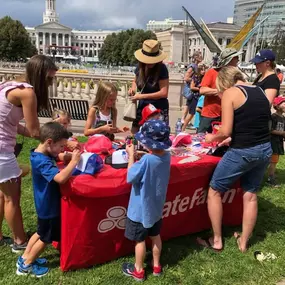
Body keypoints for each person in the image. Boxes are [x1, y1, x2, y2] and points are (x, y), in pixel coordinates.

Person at [197, 66, 272, 253]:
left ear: (223, 82)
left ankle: (216, 240)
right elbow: (253, 122)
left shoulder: (231, 92)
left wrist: (211, 138)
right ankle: (244, 243)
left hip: (243, 151)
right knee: (251, 195)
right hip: (264, 149)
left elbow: (225, 130)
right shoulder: (260, 91)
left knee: (214, 190)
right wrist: (232, 137)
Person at [0, 55, 57, 252]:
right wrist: (57, 138)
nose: (50, 83)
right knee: (12, 199)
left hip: (2, 148)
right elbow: (34, 131)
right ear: (41, 76)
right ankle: (19, 242)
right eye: (49, 79)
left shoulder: (12, 84)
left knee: (2, 195)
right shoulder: (28, 93)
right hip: (2, 151)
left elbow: (13, 125)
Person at [16, 122, 81, 277]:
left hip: (43, 205)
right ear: (49, 142)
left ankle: (24, 257)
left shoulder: (37, 154)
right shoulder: (43, 161)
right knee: (46, 238)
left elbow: (54, 159)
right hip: (49, 207)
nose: (62, 150)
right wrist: (74, 162)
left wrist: (65, 153)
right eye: (61, 146)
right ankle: (27, 265)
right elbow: (60, 178)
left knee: (40, 232)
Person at [122, 120, 172, 282]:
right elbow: (155, 158)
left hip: (140, 211)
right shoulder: (167, 156)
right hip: (156, 209)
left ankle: (138, 270)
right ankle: (156, 265)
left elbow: (130, 177)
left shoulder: (146, 161)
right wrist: (144, 155)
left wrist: (131, 156)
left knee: (140, 241)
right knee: (156, 236)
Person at [198, 48, 243, 133]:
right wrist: (222, 91)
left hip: (227, 115)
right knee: (201, 138)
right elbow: (202, 90)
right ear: (231, 60)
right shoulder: (212, 72)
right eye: (236, 58)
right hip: (210, 114)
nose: (238, 60)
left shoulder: (235, 75)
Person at [129, 39, 169, 134]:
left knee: (156, 135)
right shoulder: (140, 67)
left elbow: (164, 93)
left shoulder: (162, 68)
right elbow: (134, 81)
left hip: (157, 108)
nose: (150, 63)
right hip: (143, 106)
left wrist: (141, 96)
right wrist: (133, 90)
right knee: (134, 133)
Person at [182, 64, 206, 132]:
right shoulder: (195, 77)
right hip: (194, 97)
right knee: (191, 114)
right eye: (202, 70)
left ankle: (198, 129)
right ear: (199, 70)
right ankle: (183, 128)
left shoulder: (204, 77)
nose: (203, 71)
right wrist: (200, 88)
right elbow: (192, 87)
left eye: (204, 69)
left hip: (200, 97)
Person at [267, 97, 285, 187]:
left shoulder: (283, 118)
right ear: (277, 106)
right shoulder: (273, 117)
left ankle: (272, 173)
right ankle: (271, 178)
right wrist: (282, 133)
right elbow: (270, 130)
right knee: (273, 161)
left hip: (279, 142)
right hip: (273, 142)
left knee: (275, 160)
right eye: (284, 103)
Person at [181, 52, 203, 125]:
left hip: (191, 89)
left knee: (188, 105)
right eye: (200, 56)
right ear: (196, 58)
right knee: (189, 105)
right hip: (191, 89)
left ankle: (184, 120)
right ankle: (184, 120)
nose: (201, 57)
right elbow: (186, 78)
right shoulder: (192, 67)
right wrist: (195, 80)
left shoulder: (196, 66)